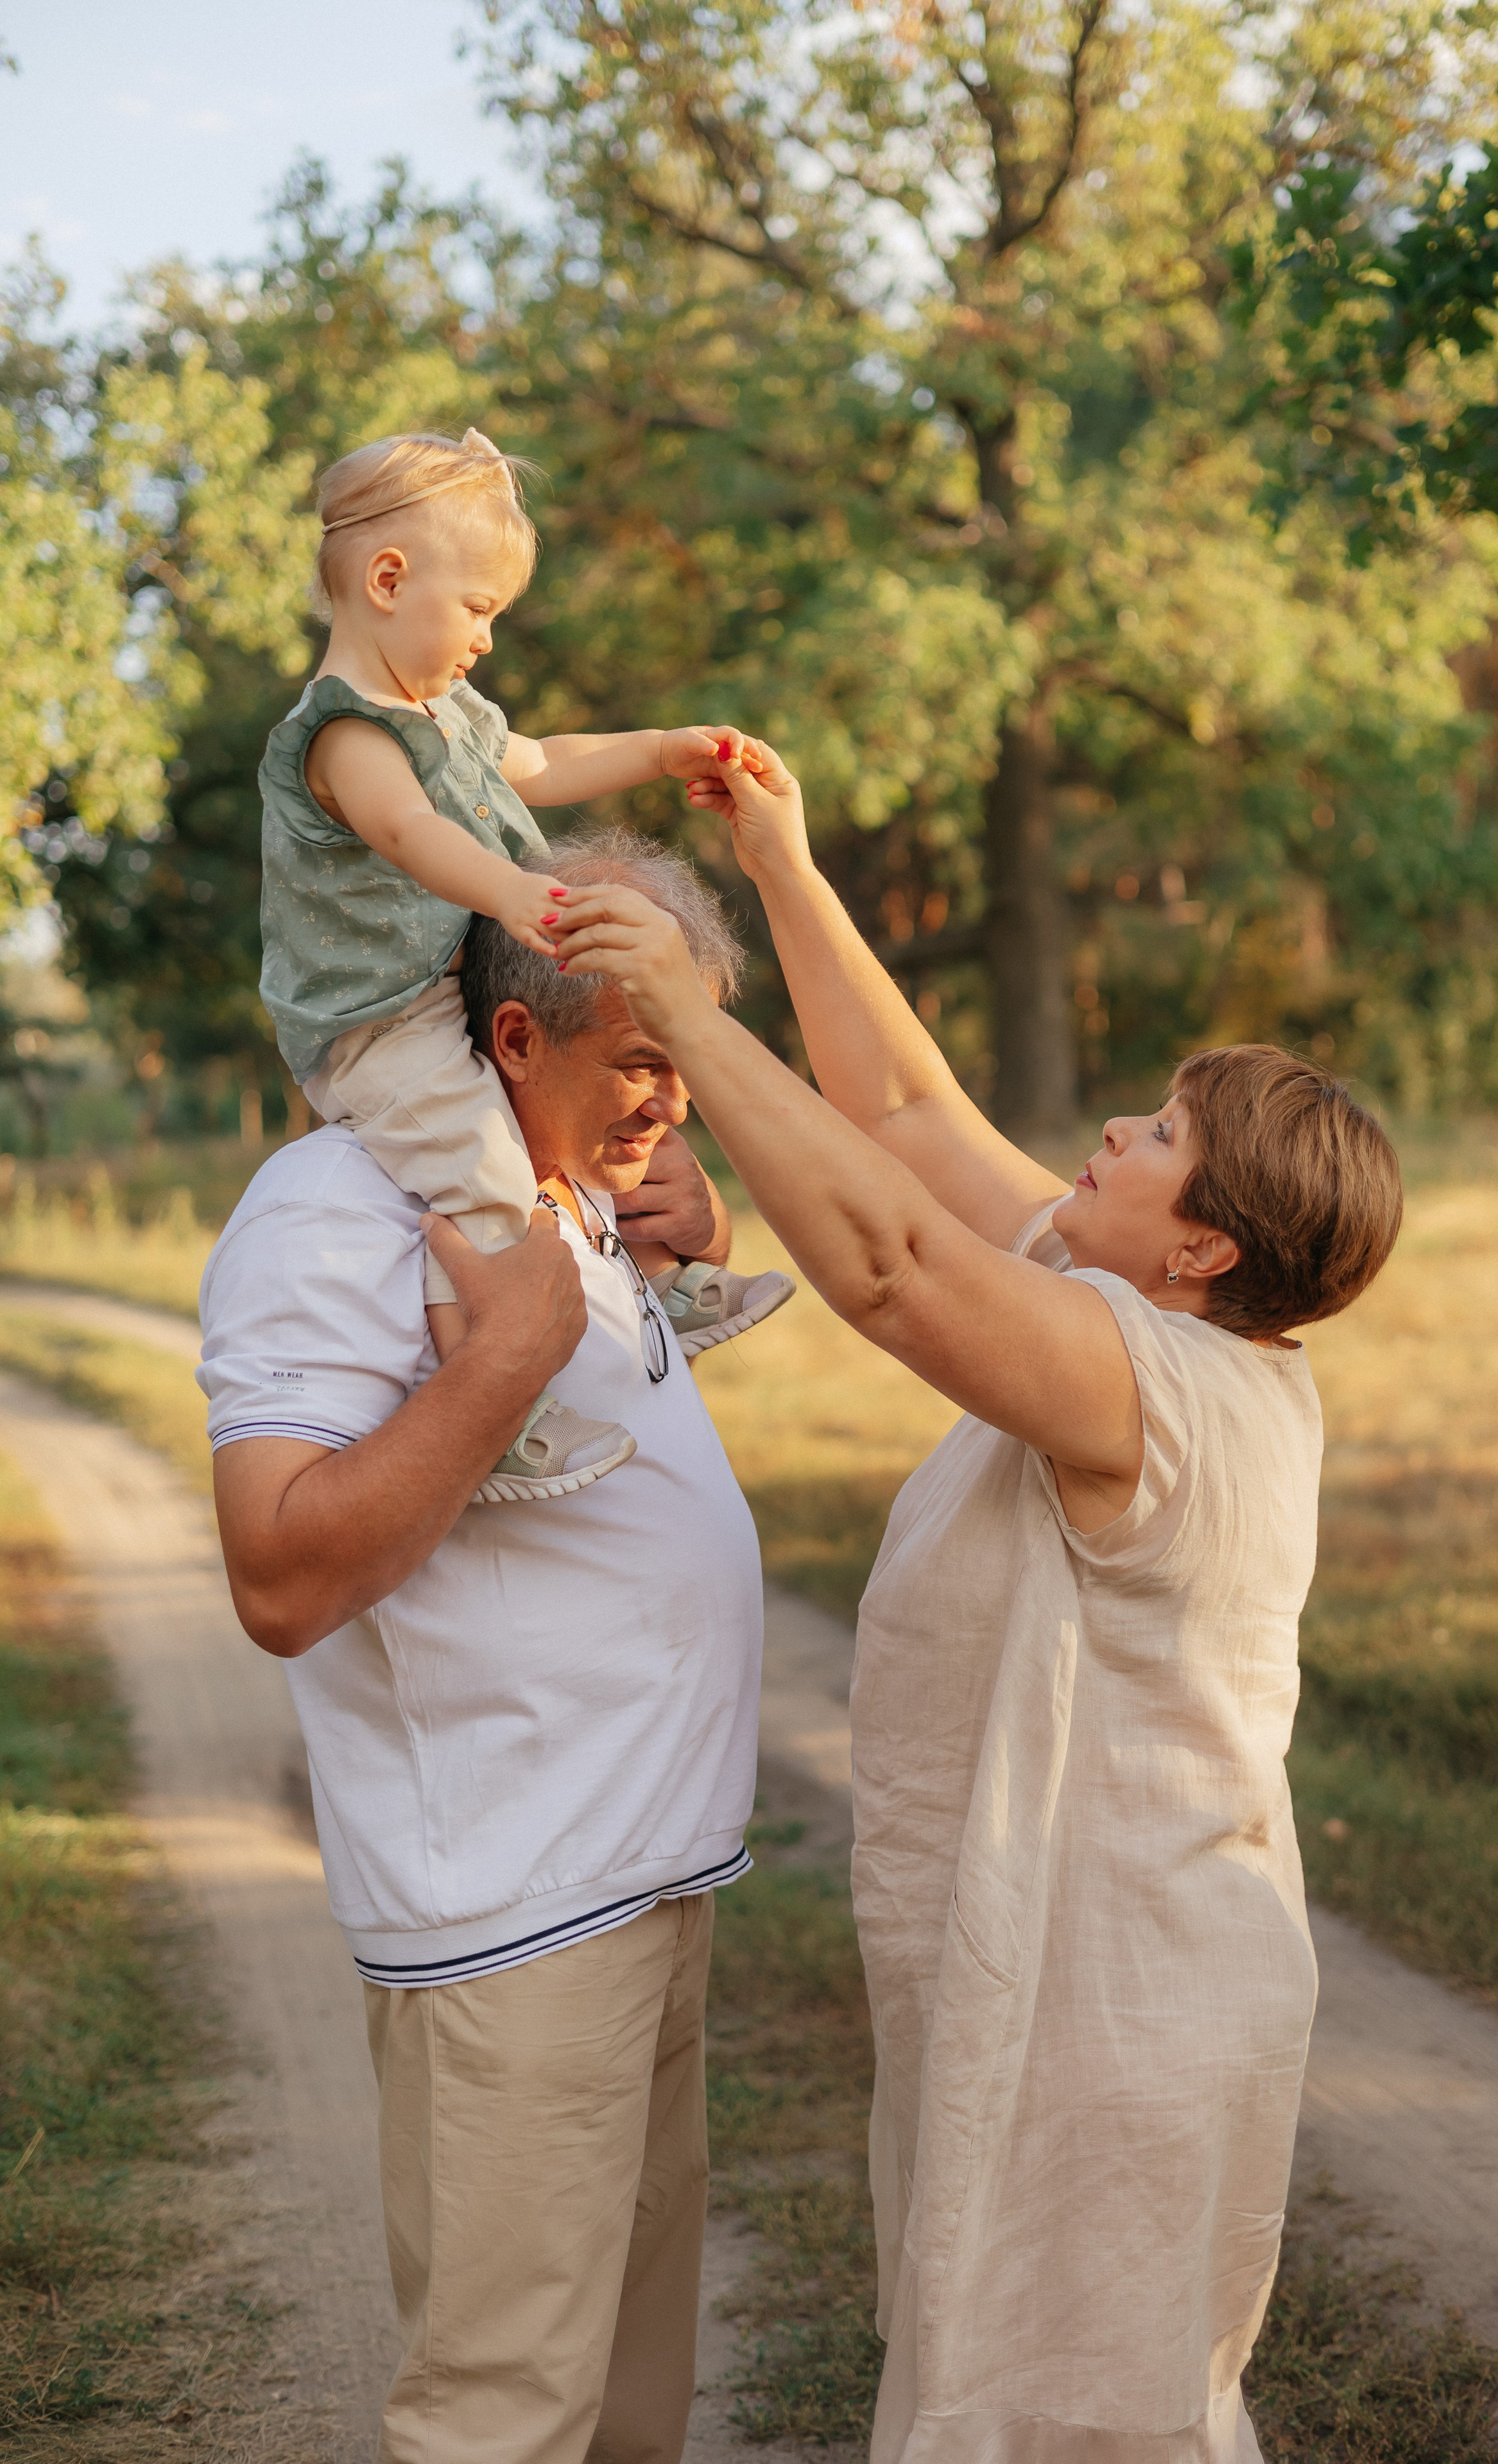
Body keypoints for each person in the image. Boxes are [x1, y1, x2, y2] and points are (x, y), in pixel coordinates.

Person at [550, 743, 1405, 2464]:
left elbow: (887, 1265)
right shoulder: (1127, 1305)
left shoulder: (1155, 1384)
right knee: (1016, 2369)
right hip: (1070, 1970)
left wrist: (690, 1022)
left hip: (1122, 2003)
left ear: (1205, 1248)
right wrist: (782, 866)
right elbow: (905, 1119)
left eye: (1161, 1136)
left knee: (1067, 2402)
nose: (1115, 1131)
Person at [202, 833, 766, 2464]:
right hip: (514, 1918)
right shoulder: (338, 1206)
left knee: (627, 2406)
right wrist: (504, 1363)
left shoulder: (556, 1190)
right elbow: (279, 1575)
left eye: (691, 1052)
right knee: (503, 2418)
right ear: (514, 1034)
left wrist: (657, 1257)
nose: (677, 1095)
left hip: (648, 1881)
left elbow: (562, 1470)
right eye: (643, 1056)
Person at [258, 424, 789, 1507]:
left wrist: (662, 749)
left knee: (568, 1134)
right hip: (376, 1021)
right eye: (478, 608)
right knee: (485, 1174)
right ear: (388, 581)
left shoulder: (446, 715)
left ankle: (653, 1288)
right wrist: (508, 890)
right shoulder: (345, 736)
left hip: (444, 990)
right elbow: (408, 832)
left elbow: (542, 761)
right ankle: (496, 1403)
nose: (487, 639)